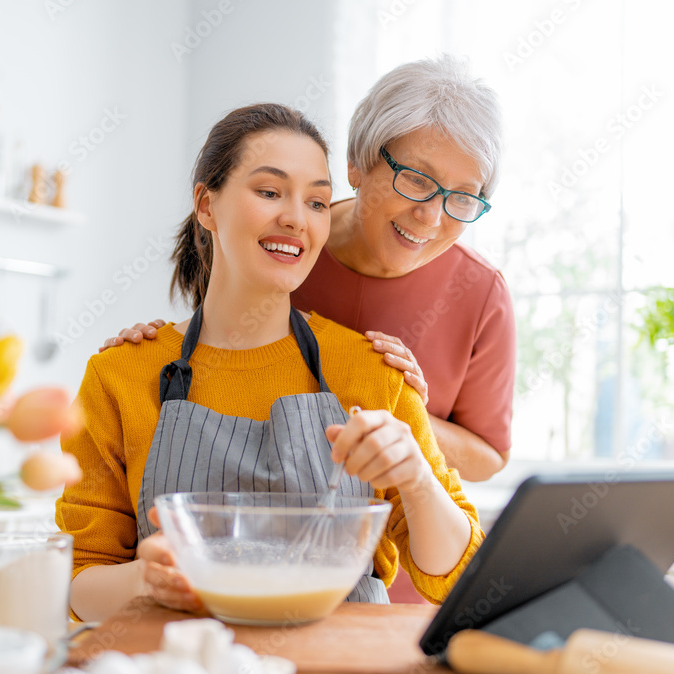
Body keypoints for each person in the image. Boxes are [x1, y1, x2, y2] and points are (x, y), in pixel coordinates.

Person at [56, 103, 484, 623]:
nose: (296, 218)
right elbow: (79, 581)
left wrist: (417, 479)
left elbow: (455, 577)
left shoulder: (374, 372)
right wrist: (144, 580)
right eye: (269, 192)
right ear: (206, 205)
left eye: (318, 202)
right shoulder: (121, 375)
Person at [101, 56, 514, 484]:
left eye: (463, 197)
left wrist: (397, 409)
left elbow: (489, 456)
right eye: (416, 180)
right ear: (357, 164)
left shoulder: (480, 292)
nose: (431, 217)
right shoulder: (281, 250)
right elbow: (210, 375)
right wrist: (149, 357)